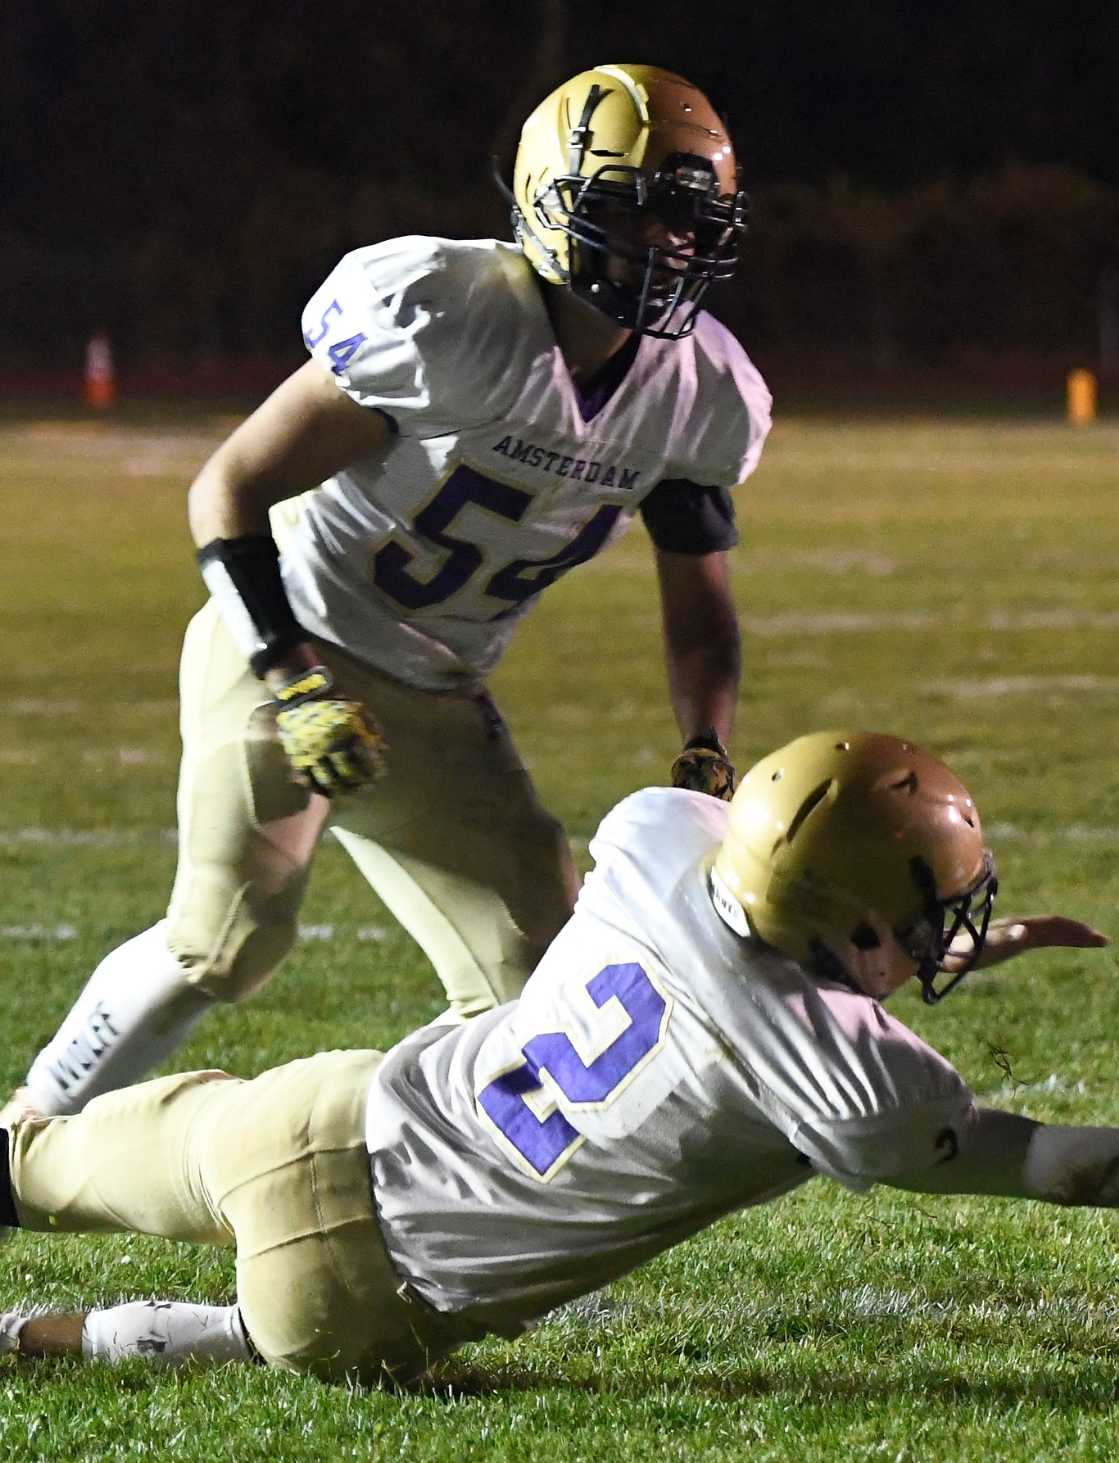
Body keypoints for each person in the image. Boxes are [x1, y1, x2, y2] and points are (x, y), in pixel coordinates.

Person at [0, 733, 1119, 1381]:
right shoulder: (843, 1083)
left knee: (38, 1158)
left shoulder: (658, 835)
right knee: (265, 1340)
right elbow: (1061, 1162)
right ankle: (33, 1340)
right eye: (924, 917)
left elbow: (764, 936)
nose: (944, 930)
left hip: (315, 1115)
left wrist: (936, 948)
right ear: (852, 924)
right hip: (360, 1295)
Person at [4, 64, 769, 1127]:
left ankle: (428, 1179)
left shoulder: (698, 394)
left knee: (541, 985)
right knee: (225, 937)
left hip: (438, 688)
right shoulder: (451, 315)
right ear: (552, 200)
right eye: (635, 210)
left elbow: (700, 604)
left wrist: (706, 748)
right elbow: (228, 485)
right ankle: (25, 1130)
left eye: (687, 219)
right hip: (293, 637)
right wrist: (292, 680)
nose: (666, 244)